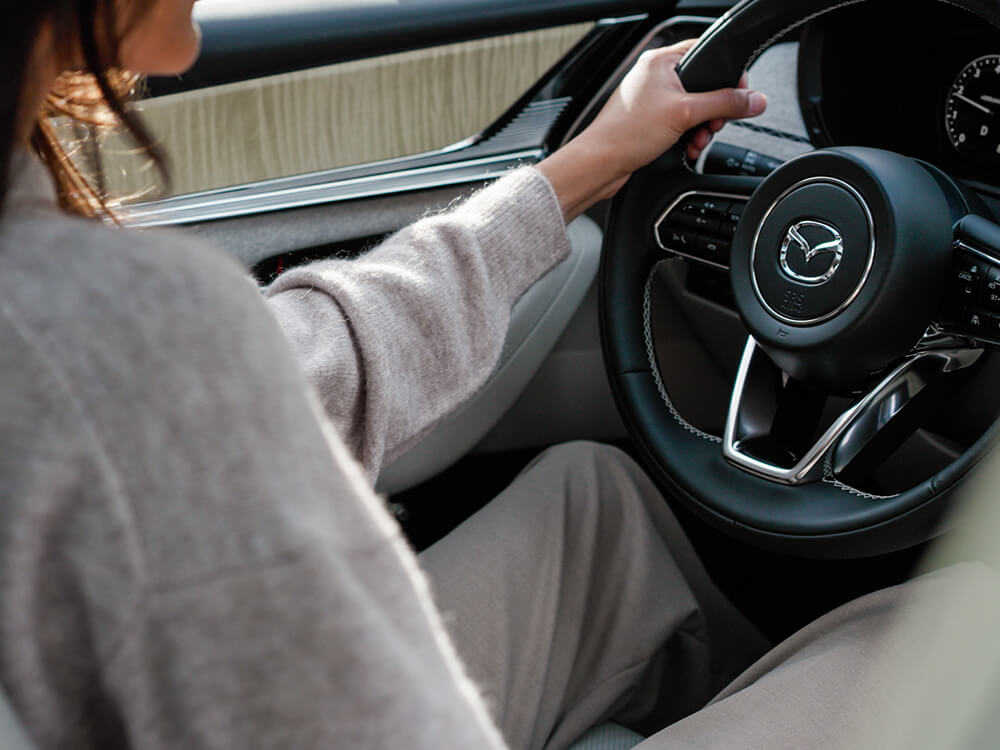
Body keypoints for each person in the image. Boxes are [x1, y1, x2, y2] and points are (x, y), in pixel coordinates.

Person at [3, 2, 997, 750]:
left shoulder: (62, 297)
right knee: (968, 631)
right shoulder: (94, 325)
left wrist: (587, 167)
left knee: (594, 504)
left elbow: (290, 370)